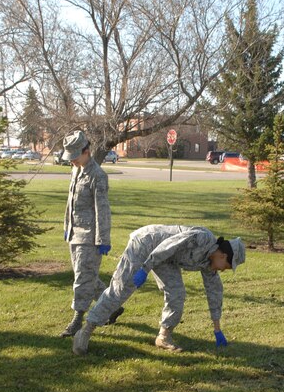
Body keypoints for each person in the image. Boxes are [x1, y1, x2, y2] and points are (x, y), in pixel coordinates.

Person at [72, 225, 245, 356]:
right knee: (122, 288)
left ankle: (163, 337)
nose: (224, 270)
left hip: (167, 258)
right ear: (223, 256)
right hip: (147, 244)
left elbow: (215, 292)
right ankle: (86, 330)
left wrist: (217, 329)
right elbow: (167, 246)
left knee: (176, 293)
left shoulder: (210, 264)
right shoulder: (202, 238)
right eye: (228, 266)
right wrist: (145, 269)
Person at [58, 130, 114, 337]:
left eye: (75, 155)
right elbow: (70, 203)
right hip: (75, 232)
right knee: (87, 275)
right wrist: (67, 227)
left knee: (82, 278)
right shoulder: (76, 170)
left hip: (90, 236)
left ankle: (77, 319)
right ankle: (112, 306)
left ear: (86, 151)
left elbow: (103, 209)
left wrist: (103, 240)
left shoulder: (97, 175)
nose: (71, 160)